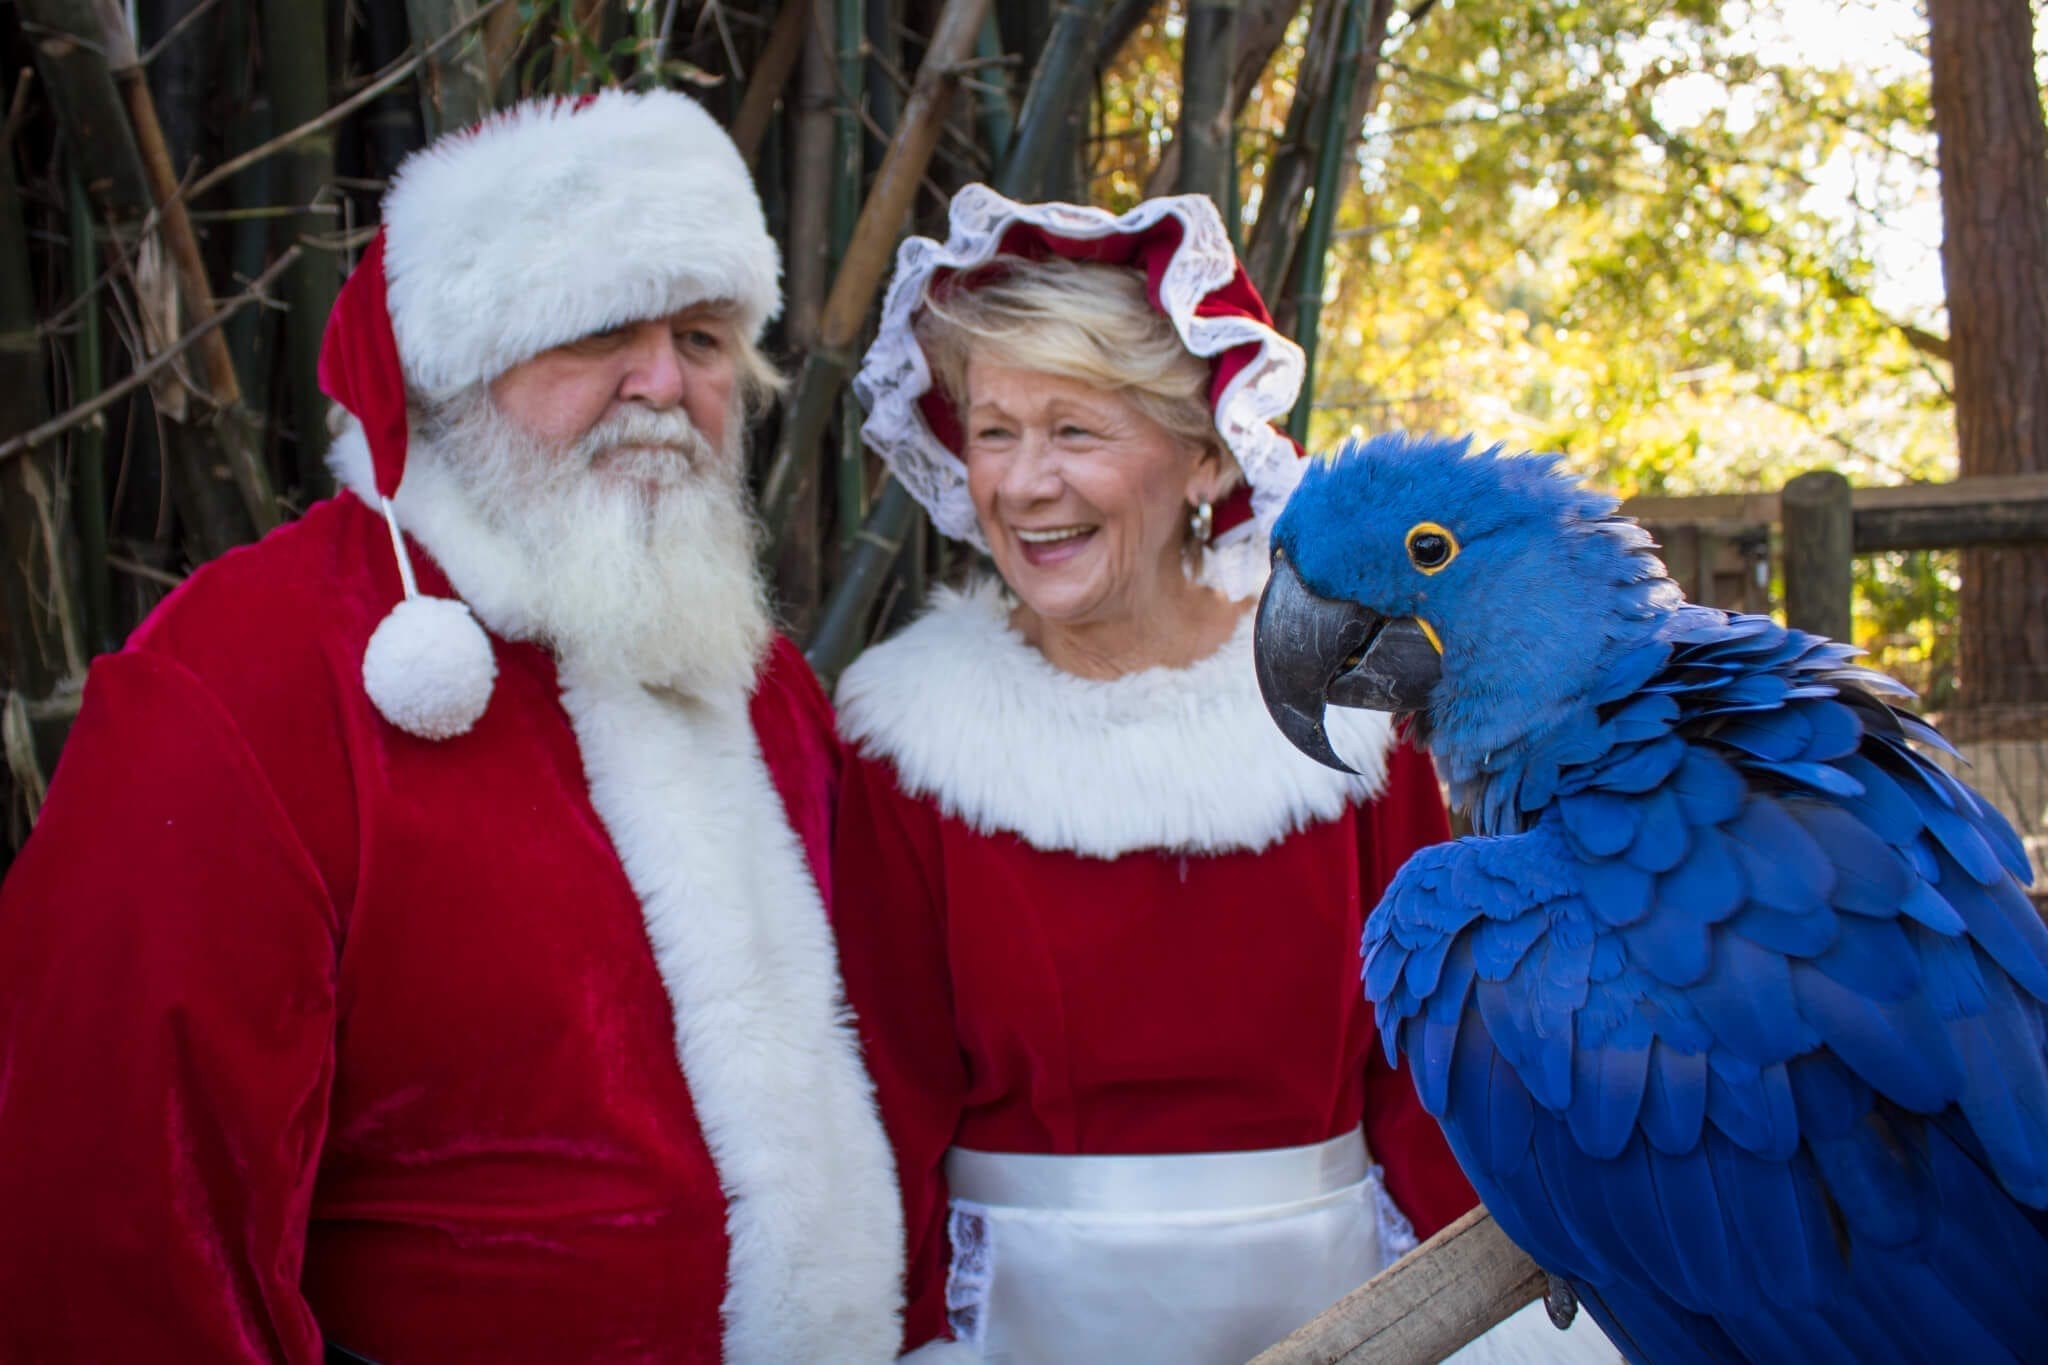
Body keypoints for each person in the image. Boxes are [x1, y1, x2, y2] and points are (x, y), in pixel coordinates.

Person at [0, 91, 957, 1365]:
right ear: (454, 371)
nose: (663, 384)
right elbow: (120, 1223)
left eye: (703, 336)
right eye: (598, 328)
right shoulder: (247, 678)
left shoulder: (763, 685)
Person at [831, 186, 1622, 1363]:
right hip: (1021, 1325)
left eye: (1075, 431)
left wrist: (1491, 1326)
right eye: (994, 431)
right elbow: (884, 1102)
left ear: (1204, 457)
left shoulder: (1347, 729)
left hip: (1345, 1307)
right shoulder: (904, 744)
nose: (1023, 483)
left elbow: (1429, 1079)